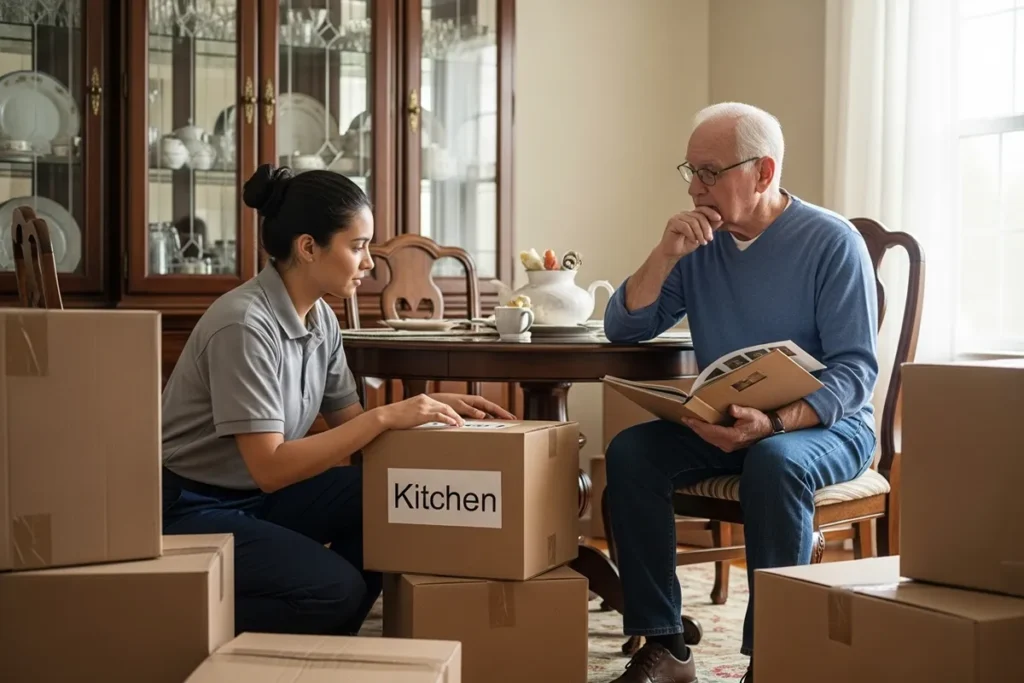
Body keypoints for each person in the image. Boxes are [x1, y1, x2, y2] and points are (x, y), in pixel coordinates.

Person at [160, 164, 514, 637]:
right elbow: (271, 467)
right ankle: (167, 626)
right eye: (359, 246)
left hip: (254, 498)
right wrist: (388, 414)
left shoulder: (319, 319)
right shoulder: (243, 326)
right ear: (308, 247)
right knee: (337, 592)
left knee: (385, 497)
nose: (370, 263)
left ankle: (317, 614)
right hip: (190, 506)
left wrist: (430, 410)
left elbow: (357, 430)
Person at [602, 102, 879, 683]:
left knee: (775, 464)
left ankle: (774, 656)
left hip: (827, 426)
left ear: (763, 172)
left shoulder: (832, 241)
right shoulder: (698, 245)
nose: (696, 187)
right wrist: (664, 254)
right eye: (690, 171)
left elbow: (855, 370)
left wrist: (775, 423)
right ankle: (666, 643)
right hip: (731, 420)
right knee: (631, 453)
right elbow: (623, 328)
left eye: (710, 172)